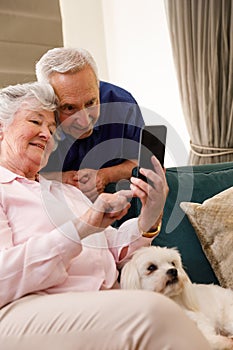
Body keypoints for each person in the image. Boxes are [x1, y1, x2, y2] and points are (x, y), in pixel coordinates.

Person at [0, 82, 211, 350]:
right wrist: (80, 228)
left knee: (182, 309)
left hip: (101, 300)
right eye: (35, 121)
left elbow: (115, 250)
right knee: (153, 312)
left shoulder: (63, 191)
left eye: (53, 129)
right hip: (25, 308)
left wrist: (151, 211)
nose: (46, 134)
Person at [35, 47, 145, 202]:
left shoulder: (122, 104)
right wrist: (59, 179)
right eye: (69, 108)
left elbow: (142, 161)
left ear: (97, 85)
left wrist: (105, 175)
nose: (85, 122)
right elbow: (14, 175)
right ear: (47, 101)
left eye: (91, 103)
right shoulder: (30, 116)